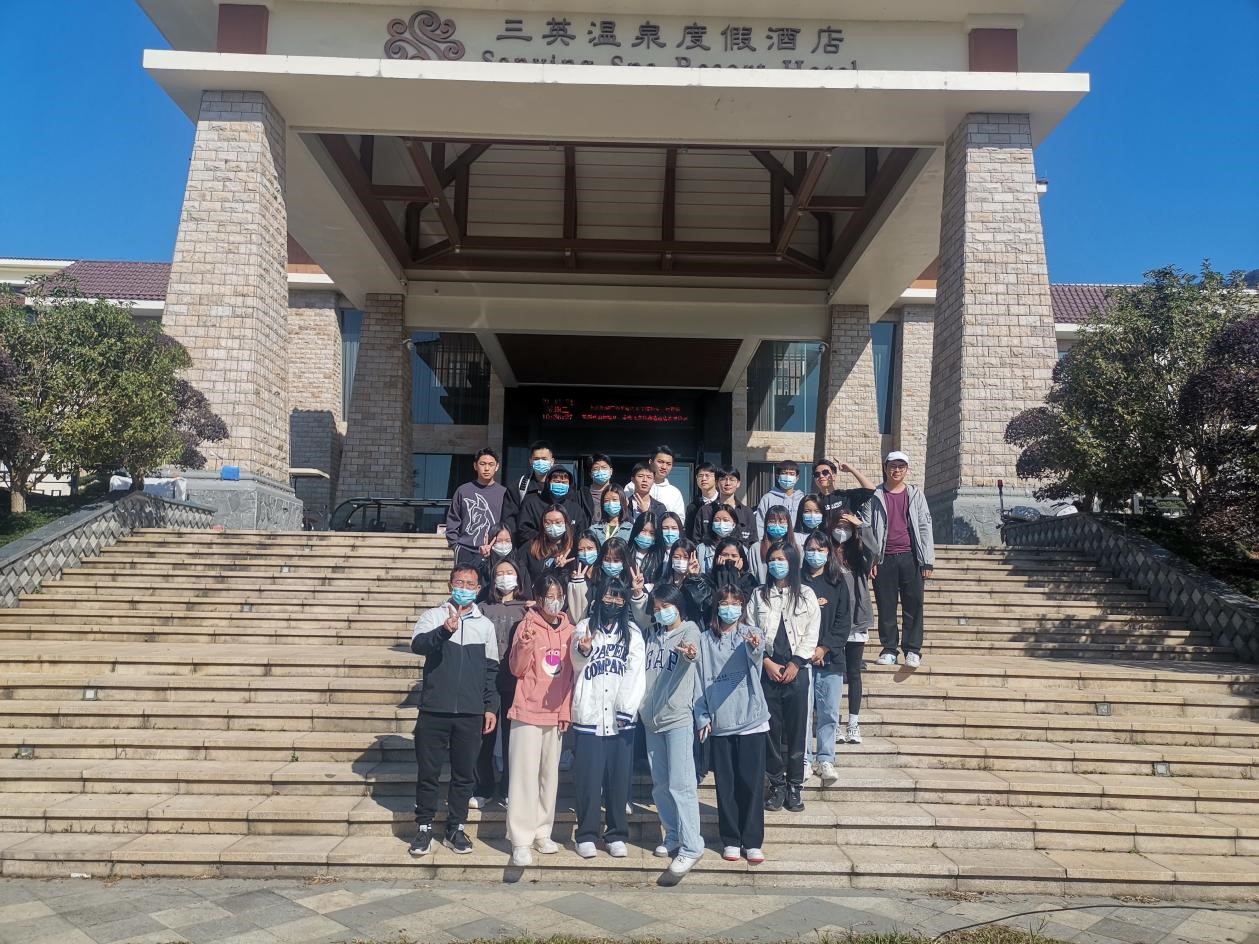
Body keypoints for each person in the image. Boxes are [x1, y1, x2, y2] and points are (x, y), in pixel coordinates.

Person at [408, 565, 499, 857]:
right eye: (460, 582)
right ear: (450, 585)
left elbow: (491, 670)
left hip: (470, 713)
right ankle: (424, 827)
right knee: (428, 772)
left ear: (478, 589)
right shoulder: (432, 616)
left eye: (470, 584)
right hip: (434, 709)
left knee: (464, 775)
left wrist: (490, 706)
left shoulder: (485, 625)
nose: (465, 587)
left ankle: (455, 827)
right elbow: (418, 645)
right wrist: (443, 632)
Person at [570, 577, 646, 858]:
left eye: (619, 597)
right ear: (599, 597)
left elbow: (636, 673)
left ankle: (616, 834)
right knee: (588, 781)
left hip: (620, 720)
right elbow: (576, 663)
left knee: (618, 780)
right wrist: (584, 650)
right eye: (608, 596)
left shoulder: (633, 633)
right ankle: (586, 834)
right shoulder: (584, 627)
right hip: (588, 716)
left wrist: (625, 709)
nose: (613, 602)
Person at [695, 584, 769, 865]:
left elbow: (757, 653)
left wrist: (755, 646)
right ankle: (730, 839)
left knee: (751, 783)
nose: (730, 608)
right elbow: (698, 680)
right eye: (724, 603)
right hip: (720, 722)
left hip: (751, 720)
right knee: (725, 785)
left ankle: (752, 841)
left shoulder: (751, 633)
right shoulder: (704, 639)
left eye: (735, 603)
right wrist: (702, 716)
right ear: (716, 607)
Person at [505, 573, 576, 867]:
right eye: (549, 596)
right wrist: (524, 645)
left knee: (549, 777)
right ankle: (521, 840)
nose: (554, 601)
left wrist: (566, 711)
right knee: (524, 777)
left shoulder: (571, 630)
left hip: (555, 713)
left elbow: (571, 677)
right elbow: (516, 669)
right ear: (538, 597)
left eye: (559, 596)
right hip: (527, 711)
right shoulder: (527, 625)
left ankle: (542, 832)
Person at [750, 540, 820, 815]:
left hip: (796, 672)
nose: (776, 564)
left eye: (781, 559)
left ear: (792, 562)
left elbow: (811, 632)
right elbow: (749, 630)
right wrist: (766, 662)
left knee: (796, 731)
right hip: (768, 670)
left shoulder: (806, 595)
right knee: (771, 731)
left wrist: (796, 663)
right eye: (773, 559)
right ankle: (777, 784)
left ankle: (794, 786)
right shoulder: (759, 595)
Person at [640, 584, 704, 877]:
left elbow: (692, 653)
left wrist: (689, 654)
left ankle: (692, 846)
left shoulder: (690, 631)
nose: (661, 612)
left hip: (677, 718)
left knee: (681, 784)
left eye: (666, 606)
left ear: (678, 606)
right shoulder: (652, 636)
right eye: (656, 608)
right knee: (661, 783)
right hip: (651, 720)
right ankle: (673, 834)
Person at [472, 557, 531, 809]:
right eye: (500, 573)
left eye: (510, 572)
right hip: (486, 680)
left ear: (518, 577)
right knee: (484, 737)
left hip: (515, 680)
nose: (505, 577)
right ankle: (482, 787)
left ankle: (509, 788)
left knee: (512, 738)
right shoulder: (482, 608)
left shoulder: (526, 608)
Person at [867, 451, 935, 668]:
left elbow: (924, 527)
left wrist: (927, 560)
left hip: (910, 557)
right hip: (883, 558)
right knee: (886, 606)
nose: (896, 470)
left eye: (901, 467)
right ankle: (889, 649)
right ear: (885, 468)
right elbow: (868, 529)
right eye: (893, 466)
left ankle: (913, 650)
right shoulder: (875, 495)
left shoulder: (915, 494)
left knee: (913, 605)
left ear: (906, 470)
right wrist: (871, 560)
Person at [800, 531, 853, 787]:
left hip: (832, 658)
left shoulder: (837, 581)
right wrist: (808, 650)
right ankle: (804, 759)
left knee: (829, 712)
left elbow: (843, 621)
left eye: (820, 550)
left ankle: (826, 758)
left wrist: (824, 648)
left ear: (828, 553)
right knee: (803, 713)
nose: (815, 554)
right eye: (811, 549)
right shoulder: (796, 581)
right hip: (802, 658)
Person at [831, 506, 873, 745]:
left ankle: (853, 723)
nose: (842, 530)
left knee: (854, 672)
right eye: (839, 526)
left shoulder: (859, 552)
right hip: (834, 621)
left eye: (846, 527)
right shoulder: (826, 551)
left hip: (856, 620)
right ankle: (834, 722)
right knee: (835, 673)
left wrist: (861, 526)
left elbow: (875, 550)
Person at [446, 449, 517, 568]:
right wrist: (455, 545)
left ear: (497, 467)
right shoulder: (463, 491)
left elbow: (509, 524)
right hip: (465, 550)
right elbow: (453, 520)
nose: (486, 468)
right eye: (482, 464)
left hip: (494, 551)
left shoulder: (504, 493)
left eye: (491, 464)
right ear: (475, 466)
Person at [517, 467, 589, 547]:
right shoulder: (532, 504)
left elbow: (582, 534)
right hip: (539, 550)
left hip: (568, 552)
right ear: (548, 482)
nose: (560, 485)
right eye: (557, 482)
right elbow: (523, 530)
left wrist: (566, 544)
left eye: (564, 482)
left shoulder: (575, 509)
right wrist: (545, 541)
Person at [693, 467, 758, 547]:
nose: (727, 483)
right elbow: (696, 540)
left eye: (732, 479)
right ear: (716, 483)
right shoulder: (705, 511)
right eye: (723, 479)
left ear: (738, 483)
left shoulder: (746, 512)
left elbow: (753, 542)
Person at [627, 446, 686, 521]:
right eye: (660, 462)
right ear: (651, 462)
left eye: (668, 464)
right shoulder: (631, 486)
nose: (664, 467)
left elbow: (680, 520)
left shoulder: (675, 493)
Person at [522, 507, 575, 589]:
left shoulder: (574, 547)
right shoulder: (530, 547)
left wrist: (561, 569)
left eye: (558, 522)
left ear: (566, 523)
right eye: (548, 523)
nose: (553, 526)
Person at [812, 459, 877, 521]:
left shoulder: (846, 496)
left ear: (834, 476)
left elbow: (870, 489)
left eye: (825, 472)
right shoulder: (813, 501)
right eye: (817, 474)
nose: (821, 476)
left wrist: (851, 469)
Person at [476, 523, 526, 599]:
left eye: (507, 540)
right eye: (499, 541)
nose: (503, 544)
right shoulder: (484, 563)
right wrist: (484, 558)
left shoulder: (519, 563)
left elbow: (526, 591)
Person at [755, 460, 805, 536]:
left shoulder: (802, 499)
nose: (788, 476)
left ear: (797, 478)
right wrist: (762, 541)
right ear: (777, 476)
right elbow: (760, 524)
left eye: (791, 474)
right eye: (784, 473)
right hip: (772, 541)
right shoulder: (768, 498)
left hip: (797, 541)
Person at [752, 504, 794, 582]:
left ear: (788, 524)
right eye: (772, 521)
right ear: (766, 524)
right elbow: (752, 575)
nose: (777, 525)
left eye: (781, 521)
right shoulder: (756, 548)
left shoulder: (796, 548)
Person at [627, 512, 664, 592]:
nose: (647, 535)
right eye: (643, 530)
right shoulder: (626, 553)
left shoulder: (660, 556)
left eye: (652, 533)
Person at [684, 462, 720, 541]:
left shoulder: (723, 503)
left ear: (716, 479)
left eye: (707, 475)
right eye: (700, 476)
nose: (703, 479)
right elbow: (689, 534)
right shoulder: (692, 507)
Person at [586, 454, 615, 526]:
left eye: (604, 468)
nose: (600, 471)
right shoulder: (581, 496)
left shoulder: (619, 494)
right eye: (596, 469)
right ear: (590, 474)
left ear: (611, 471)